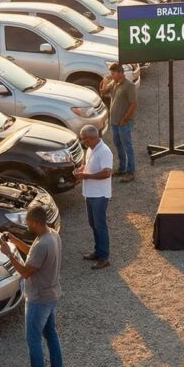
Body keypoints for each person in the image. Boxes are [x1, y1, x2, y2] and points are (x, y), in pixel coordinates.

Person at [0, 205, 63, 367]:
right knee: (51, 333)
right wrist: (15, 241)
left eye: (28, 223)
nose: (27, 225)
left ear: (35, 222)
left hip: (39, 298)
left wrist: (8, 254)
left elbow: (26, 272)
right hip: (52, 294)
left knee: (33, 339)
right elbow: (33, 255)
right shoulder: (51, 235)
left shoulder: (43, 243)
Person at [75, 125, 112, 269]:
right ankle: (98, 251)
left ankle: (104, 257)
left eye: (84, 140)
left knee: (100, 226)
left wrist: (86, 176)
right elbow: (87, 165)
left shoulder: (104, 152)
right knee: (93, 224)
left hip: (99, 195)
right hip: (90, 193)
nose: (83, 142)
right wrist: (81, 169)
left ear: (91, 138)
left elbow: (107, 173)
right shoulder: (91, 149)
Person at [100, 62, 137, 183]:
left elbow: (133, 104)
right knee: (118, 145)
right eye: (111, 73)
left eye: (113, 73)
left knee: (127, 147)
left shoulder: (129, 86)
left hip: (123, 123)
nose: (111, 75)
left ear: (121, 73)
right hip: (114, 122)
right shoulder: (114, 83)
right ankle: (122, 168)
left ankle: (130, 172)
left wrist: (125, 119)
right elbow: (103, 92)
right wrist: (105, 82)